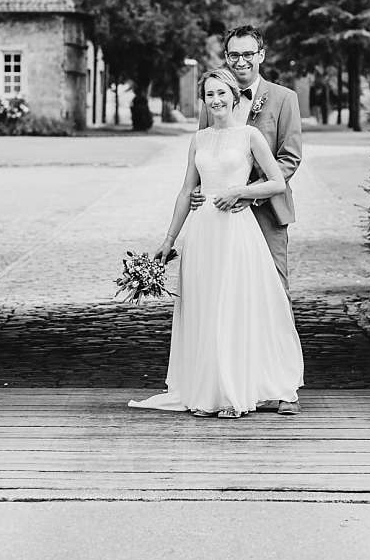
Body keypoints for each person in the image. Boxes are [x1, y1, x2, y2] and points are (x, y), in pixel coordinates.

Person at [129, 67, 304, 418]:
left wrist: (242, 191)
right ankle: (208, 389)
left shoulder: (250, 136)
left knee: (233, 308)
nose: (216, 100)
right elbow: (185, 190)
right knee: (205, 309)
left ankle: (233, 393)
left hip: (237, 231)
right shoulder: (200, 140)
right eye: (209, 95)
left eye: (222, 93)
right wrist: (168, 239)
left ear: (233, 95)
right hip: (203, 232)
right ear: (204, 102)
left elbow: (276, 183)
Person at [192, 24, 302, 308]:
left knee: (274, 290)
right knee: (222, 290)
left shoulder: (284, 99)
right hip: (219, 214)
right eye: (233, 55)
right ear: (226, 57)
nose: (240, 61)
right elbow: (206, 148)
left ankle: (278, 351)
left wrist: (248, 193)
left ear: (261, 55)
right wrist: (198, 188)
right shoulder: (213, 98)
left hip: (267, 208)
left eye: (248, 54)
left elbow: (289, 157)